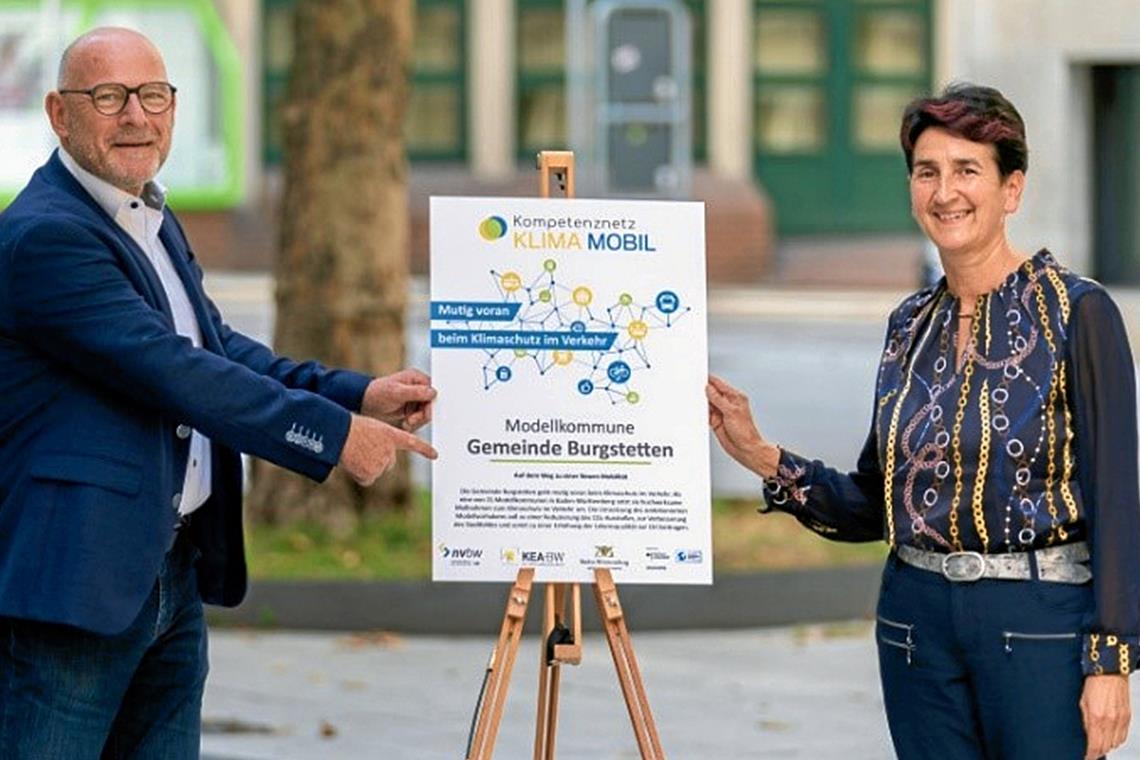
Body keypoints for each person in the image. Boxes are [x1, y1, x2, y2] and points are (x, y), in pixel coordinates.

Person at [0, 27, 438, 758]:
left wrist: (356, 395)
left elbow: (217, 348)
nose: (136, 116)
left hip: (167, 575)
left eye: (153, 95)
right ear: (58, 113)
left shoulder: (148, 214)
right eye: (107, 97)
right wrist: (332, 438)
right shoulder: (47, 237)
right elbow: (174, 371)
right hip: (77, 588)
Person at [707, 83, 1139, 760]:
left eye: (968, 170)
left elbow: (1117, 500)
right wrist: (764, 456)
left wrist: (1111, 660)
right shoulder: (910, 325)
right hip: (915, 626)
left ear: (1011, 188)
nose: (945, 193)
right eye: (927, 172)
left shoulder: (1077, 313)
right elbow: (879, 505)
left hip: (1039, 625)